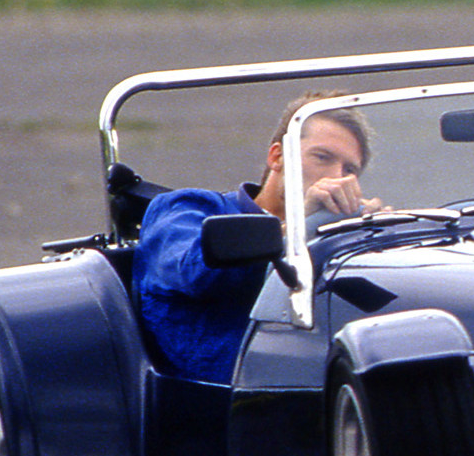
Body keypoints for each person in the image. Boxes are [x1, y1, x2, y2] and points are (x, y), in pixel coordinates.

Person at [133, 92, 375, 383]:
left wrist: (373, 237)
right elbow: (196, 273)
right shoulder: (188, 208)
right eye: (322, 157)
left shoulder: (338, 236)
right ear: (277, 157)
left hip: (321, 383)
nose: (336, 176)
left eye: (350, 170)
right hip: (221, 396)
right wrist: (299, 224)